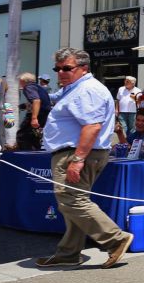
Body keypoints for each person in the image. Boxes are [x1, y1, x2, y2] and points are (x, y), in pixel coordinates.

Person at [36, 48, 133, 269]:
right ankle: (69, 253)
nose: (61, 72)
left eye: (67, 68)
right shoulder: (77, 88)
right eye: (58, 69)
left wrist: (78, 159)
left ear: (83, 69)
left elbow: (92, 127)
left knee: (71, 200)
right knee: (72, 202)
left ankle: (115, 239)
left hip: (77, 153)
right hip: (77, 153)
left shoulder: (87, 90)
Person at [17, 71, 51, 151]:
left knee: (22, 135)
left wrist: (34, 118)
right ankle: (36, 155)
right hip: (44, 115)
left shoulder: (28, 87)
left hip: (38, 115)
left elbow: (36, 101)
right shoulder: (38, 87)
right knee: (34, 137)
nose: (19, 83)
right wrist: (22, 106)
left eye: (20, 81)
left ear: (23, 81)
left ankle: (26, 157)